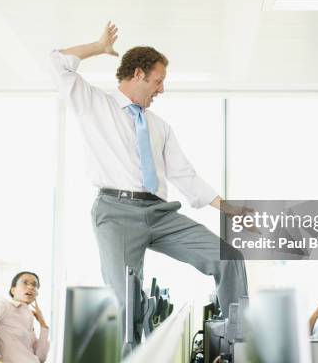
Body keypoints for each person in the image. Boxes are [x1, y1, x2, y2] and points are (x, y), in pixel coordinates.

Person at [50, 22, 248, 322]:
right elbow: (58, 64)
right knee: (126, 303)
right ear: (138, 74)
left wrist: (227, 208)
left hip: (160, 212)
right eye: (158, 81)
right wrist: (98, 47)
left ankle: (239, 336)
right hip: (116, 213)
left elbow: (185, 175)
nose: (162, 89)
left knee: (229, 257)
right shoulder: (95, 104)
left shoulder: (159, 127)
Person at [0, 271, 49, 363]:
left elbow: (40, 358)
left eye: (34, 285)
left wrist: (43, 325)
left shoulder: (28, 316)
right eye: (25, 283)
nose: (31, 287)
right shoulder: (4, 305)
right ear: (13, 290)